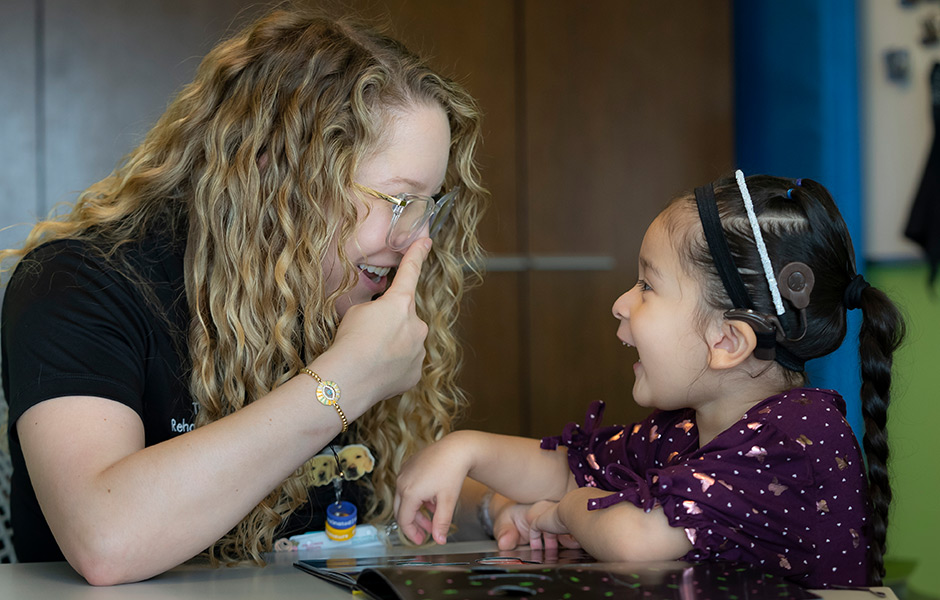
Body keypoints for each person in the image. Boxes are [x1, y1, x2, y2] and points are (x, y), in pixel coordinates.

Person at [0, 7, 494, 585]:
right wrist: (348, 379)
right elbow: (105, 539)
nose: (417, 237)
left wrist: (491, 509)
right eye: (397, 199)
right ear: (278, 174)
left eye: (428, 204)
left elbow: (382, 486)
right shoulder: (75, 283)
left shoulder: (332, 293)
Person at [395, 171, 906, 589]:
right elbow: (569, 469)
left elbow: (635, 537)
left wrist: (563, 513)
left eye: (646, 285)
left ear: (727, 341)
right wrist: (466, 450)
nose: (621, 303)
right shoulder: (686, 428)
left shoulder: (793, 438)